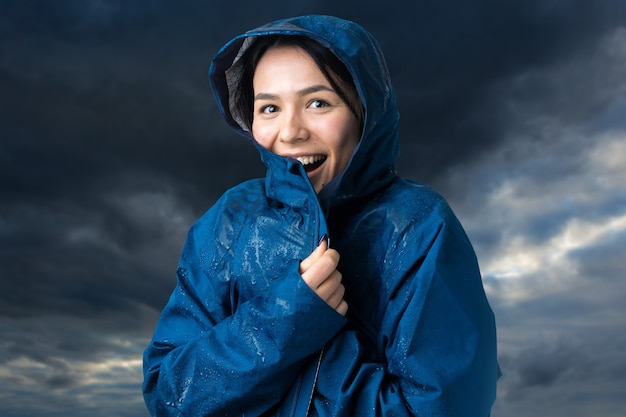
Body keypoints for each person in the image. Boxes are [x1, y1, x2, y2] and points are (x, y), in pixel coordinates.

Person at [143, 15, 500, 417]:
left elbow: (445, 407)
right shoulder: (231, 219)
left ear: (365, 109)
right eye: (270, 107)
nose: (291, 131)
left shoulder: (416, 225)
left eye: (318, 103)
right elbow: (169, 396)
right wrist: (286, 319)